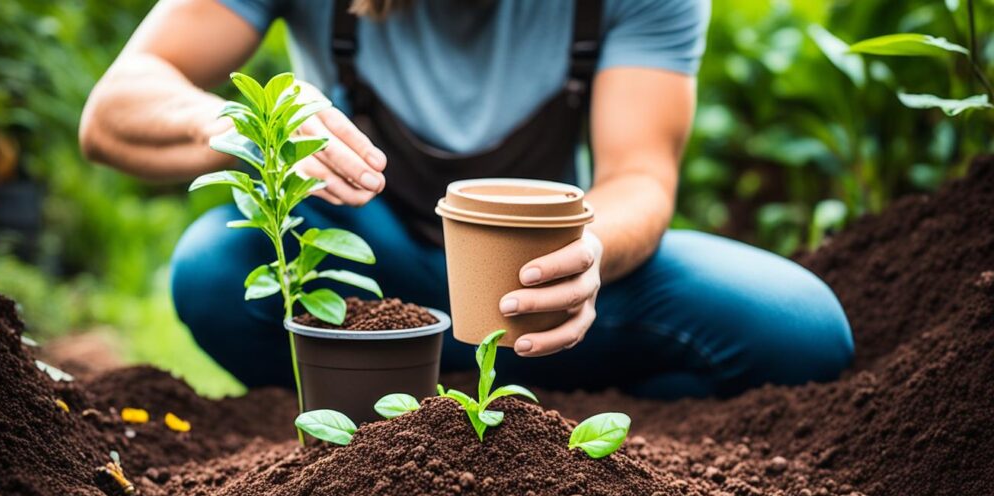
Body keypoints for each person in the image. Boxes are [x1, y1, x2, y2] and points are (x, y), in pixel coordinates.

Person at [80, 0, 853, 398]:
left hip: (533, 288)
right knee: (220, 266)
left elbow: (639, 177)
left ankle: (440, 387)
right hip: (369, 267)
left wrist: (589, 255)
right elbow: (114, 109)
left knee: (801, 333)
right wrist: (253, 123)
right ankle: (430, 393)